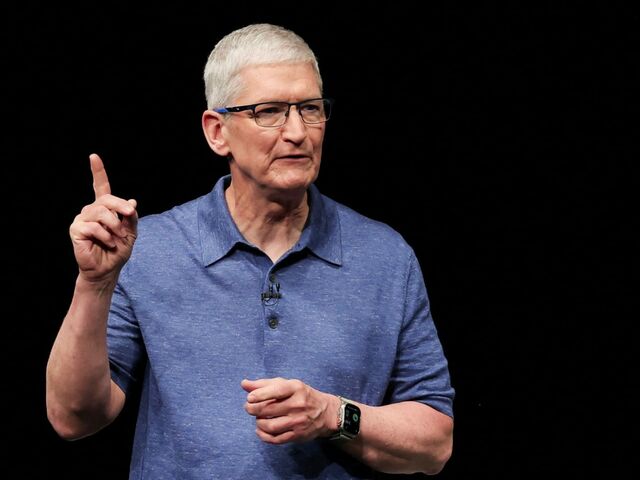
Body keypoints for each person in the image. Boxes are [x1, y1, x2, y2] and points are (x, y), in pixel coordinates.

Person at [46, 23, 455, 479]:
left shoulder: (385, 257)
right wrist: (94, 285)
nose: (297, 132)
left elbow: (434, 444)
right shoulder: (149, 248)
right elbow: (73, 417)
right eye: (269, 112)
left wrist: (333, 415)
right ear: (217, 131)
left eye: (310, 109)